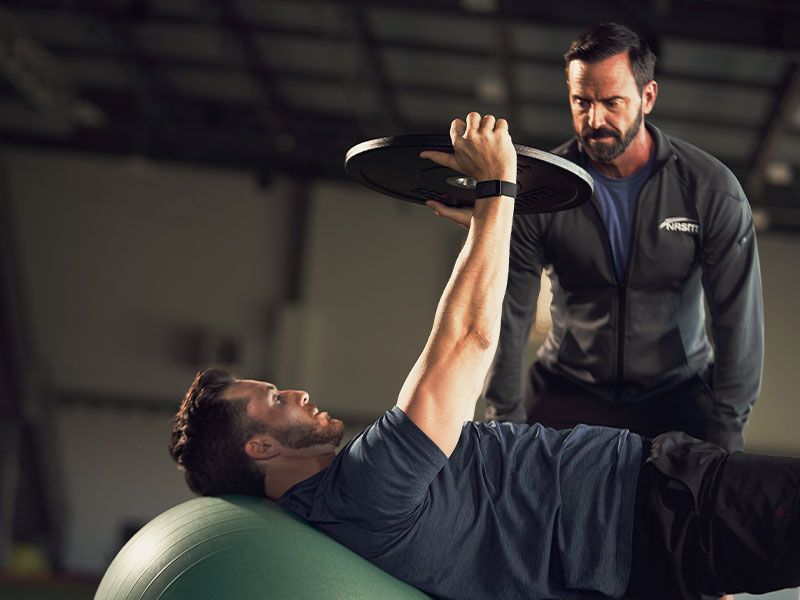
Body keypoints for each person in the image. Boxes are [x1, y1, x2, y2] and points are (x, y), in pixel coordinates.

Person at [170, 114, 798, 600]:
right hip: (658, 509)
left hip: (646, 545)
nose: (298, 394)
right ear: (260, 448)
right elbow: (468, 342)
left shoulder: (348, 505)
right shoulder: (362, 487)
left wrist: (486, 224)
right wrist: (500, 187)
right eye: (276, 400)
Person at [484, 23, 763, 453]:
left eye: (612, 102)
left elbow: (737, 320)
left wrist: (727, 430)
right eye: (582, 102)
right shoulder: (544, 187)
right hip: (566, 388)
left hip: (676, 393)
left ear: (647, 97)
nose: (595, 120)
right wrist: (503, 420)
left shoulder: (710, 190)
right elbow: (511, 311)